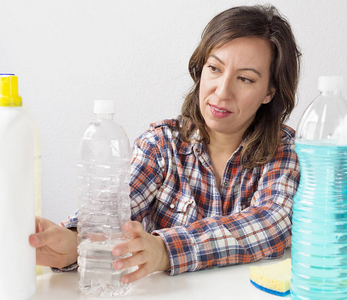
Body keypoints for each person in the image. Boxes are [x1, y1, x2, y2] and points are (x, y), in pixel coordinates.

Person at [29, 4, 301, 285]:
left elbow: (271, 224)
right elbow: (117, 210)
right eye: (214, 69)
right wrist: (73, 242)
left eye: (245, 78)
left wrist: (164, 250)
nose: (222, 91)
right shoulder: (161, 144)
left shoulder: (285, 150)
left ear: (270, 91)